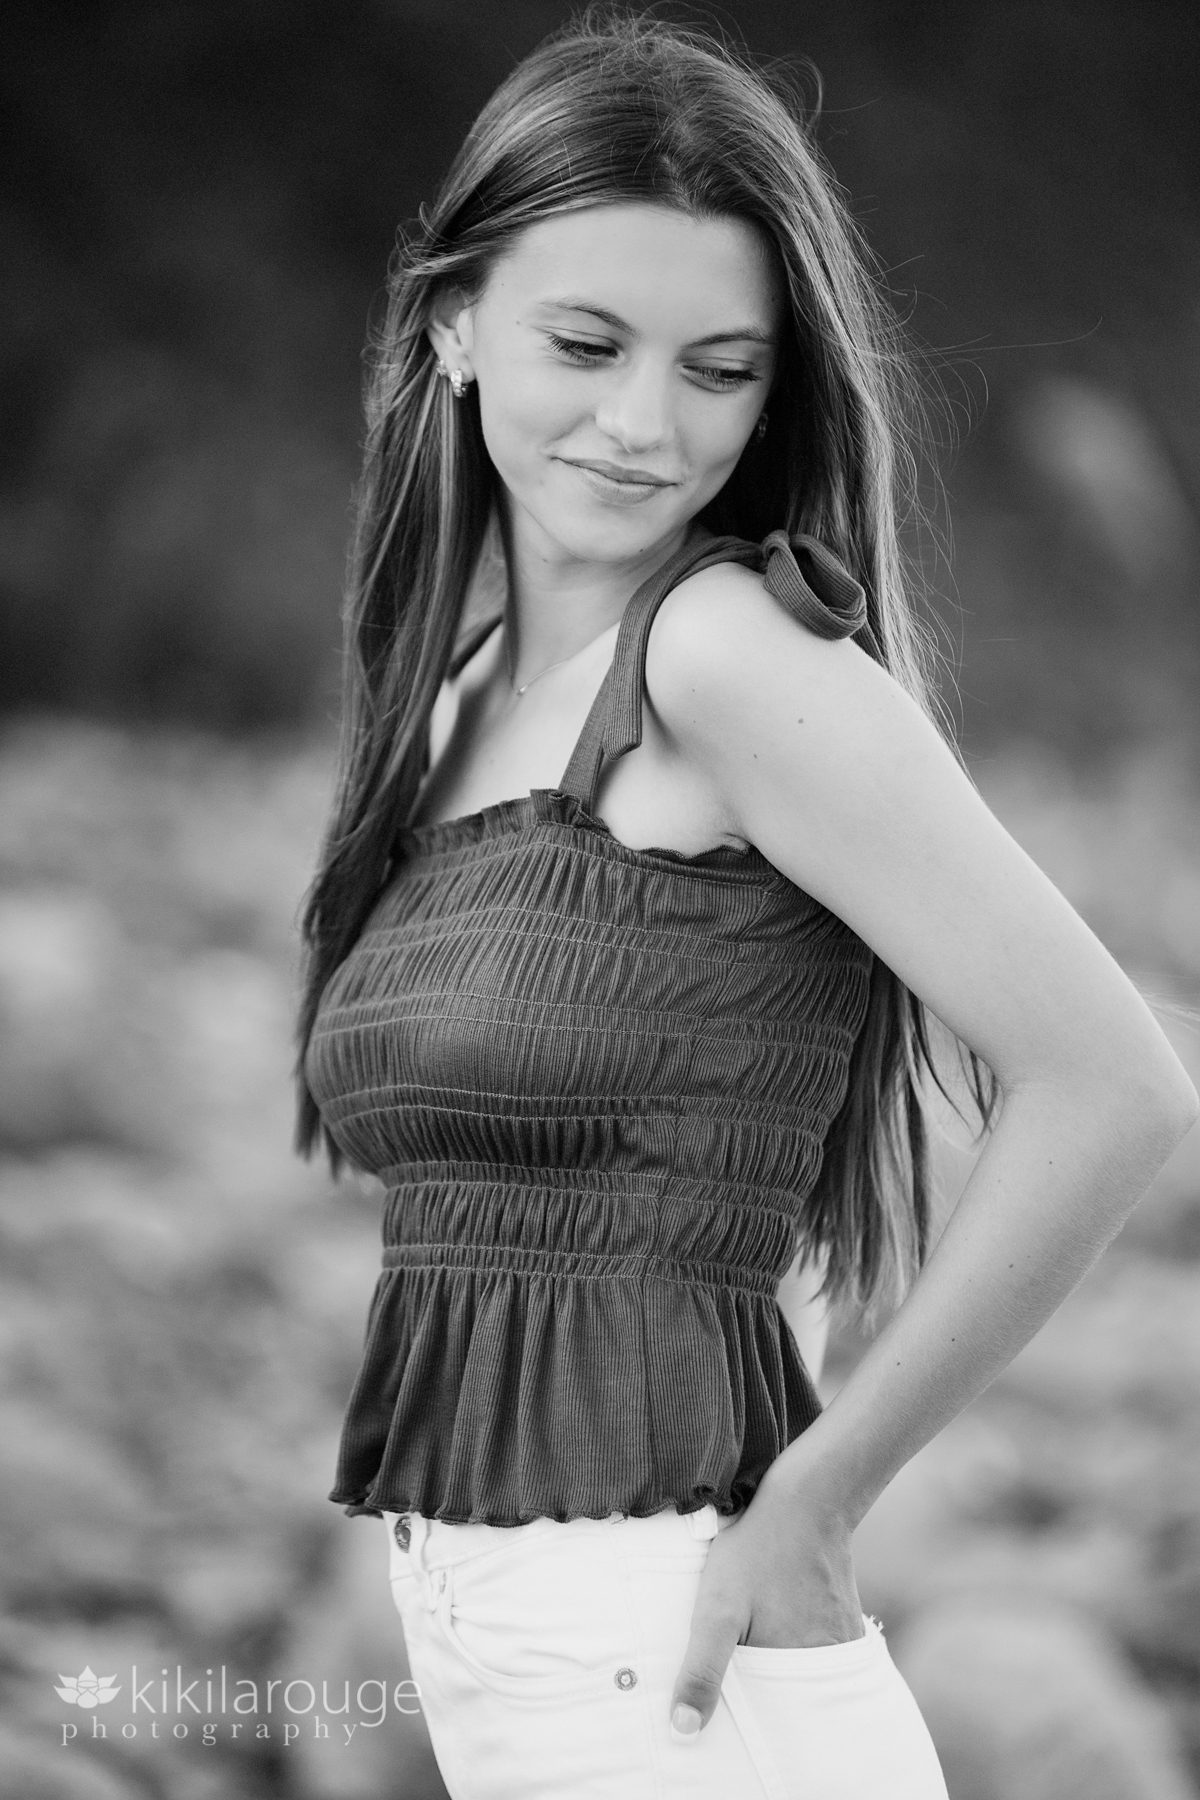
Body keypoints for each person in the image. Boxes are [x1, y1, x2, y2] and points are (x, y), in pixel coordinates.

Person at [293, 13, 1197, 1798]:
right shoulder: (460, 690)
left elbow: (1116, 1086)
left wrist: (819, 1499)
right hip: (485, 1627)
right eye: (587, 342)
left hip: (676, 1642)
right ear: (451, 324)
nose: (646, 425)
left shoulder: (725, 649)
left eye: (721, 367)